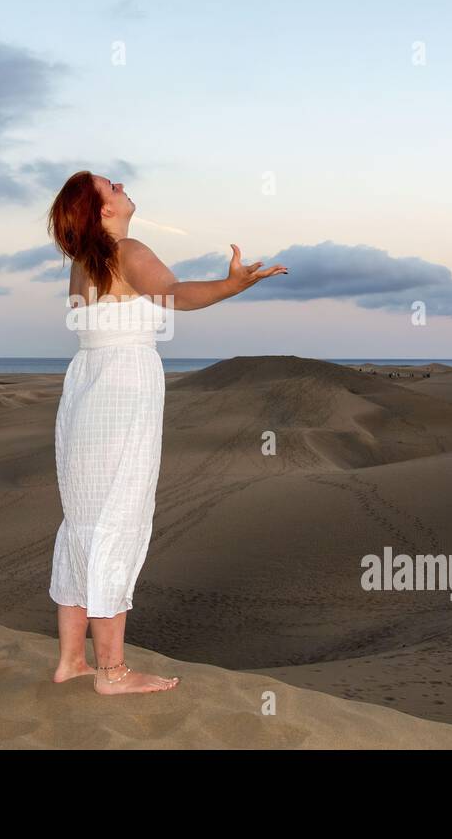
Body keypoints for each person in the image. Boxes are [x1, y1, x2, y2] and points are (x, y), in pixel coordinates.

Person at [44, 170, 287, 694]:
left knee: (84, 521)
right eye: (112, 184)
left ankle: (71, 661)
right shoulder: (126, 249)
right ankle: (111, 673)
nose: (122, 184)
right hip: (121, 393)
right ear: (101, 210)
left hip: (85, 394)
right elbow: (174, 294)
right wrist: (232, 285)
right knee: (117, 521)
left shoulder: (82, 267)